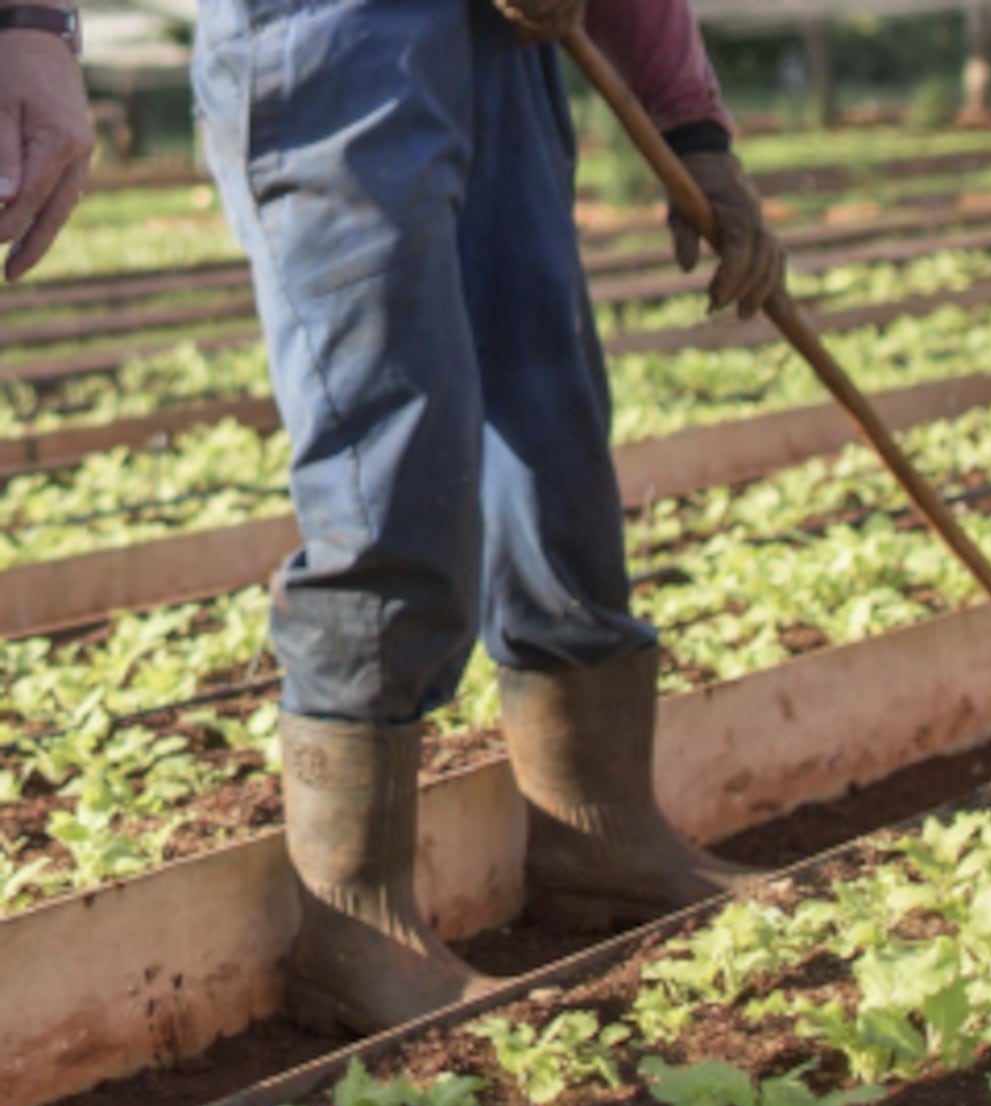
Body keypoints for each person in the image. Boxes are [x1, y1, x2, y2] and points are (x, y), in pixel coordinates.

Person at [0, 0, 787, 1034]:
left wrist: (692, 129)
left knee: (552, 434)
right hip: (327, 36)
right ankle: (355, 920)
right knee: (391, 446)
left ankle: (601, 828)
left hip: (509, 43)